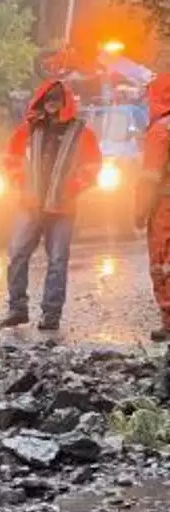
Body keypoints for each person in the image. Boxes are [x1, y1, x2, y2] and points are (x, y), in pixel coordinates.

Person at [0, 79, 103, 331]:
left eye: (56, 100)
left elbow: (93, 167)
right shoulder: (27, 130)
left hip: (62, 207)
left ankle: (51, 315)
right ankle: (17, 308)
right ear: (41, 101)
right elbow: (11, 158)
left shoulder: (82, 133)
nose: (51, 105)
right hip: (30, 203)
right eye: (48, 100)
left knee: (57, 260)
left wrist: (74, 186)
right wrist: (19, 180)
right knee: (16, 254)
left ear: (64, 102)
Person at [137, 73, 170, 341]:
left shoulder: (161, 130)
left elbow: (150, 178)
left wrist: (140, 211)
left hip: (165, 208)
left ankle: (169, 320)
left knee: (163, 262)